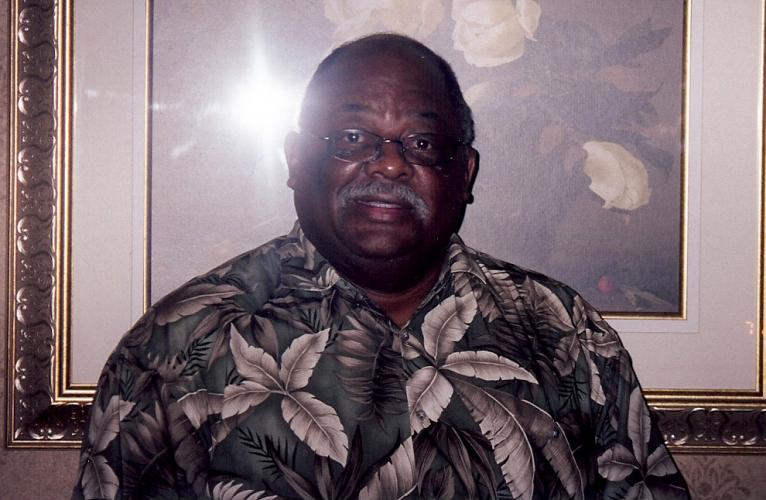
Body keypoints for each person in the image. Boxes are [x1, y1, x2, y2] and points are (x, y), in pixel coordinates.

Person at [73, 34, 690, 499]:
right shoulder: (175, 346)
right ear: (296, 160)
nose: (390, 165)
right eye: (351, 138)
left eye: (422, 143)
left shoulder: (564, 331)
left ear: (465, 173)